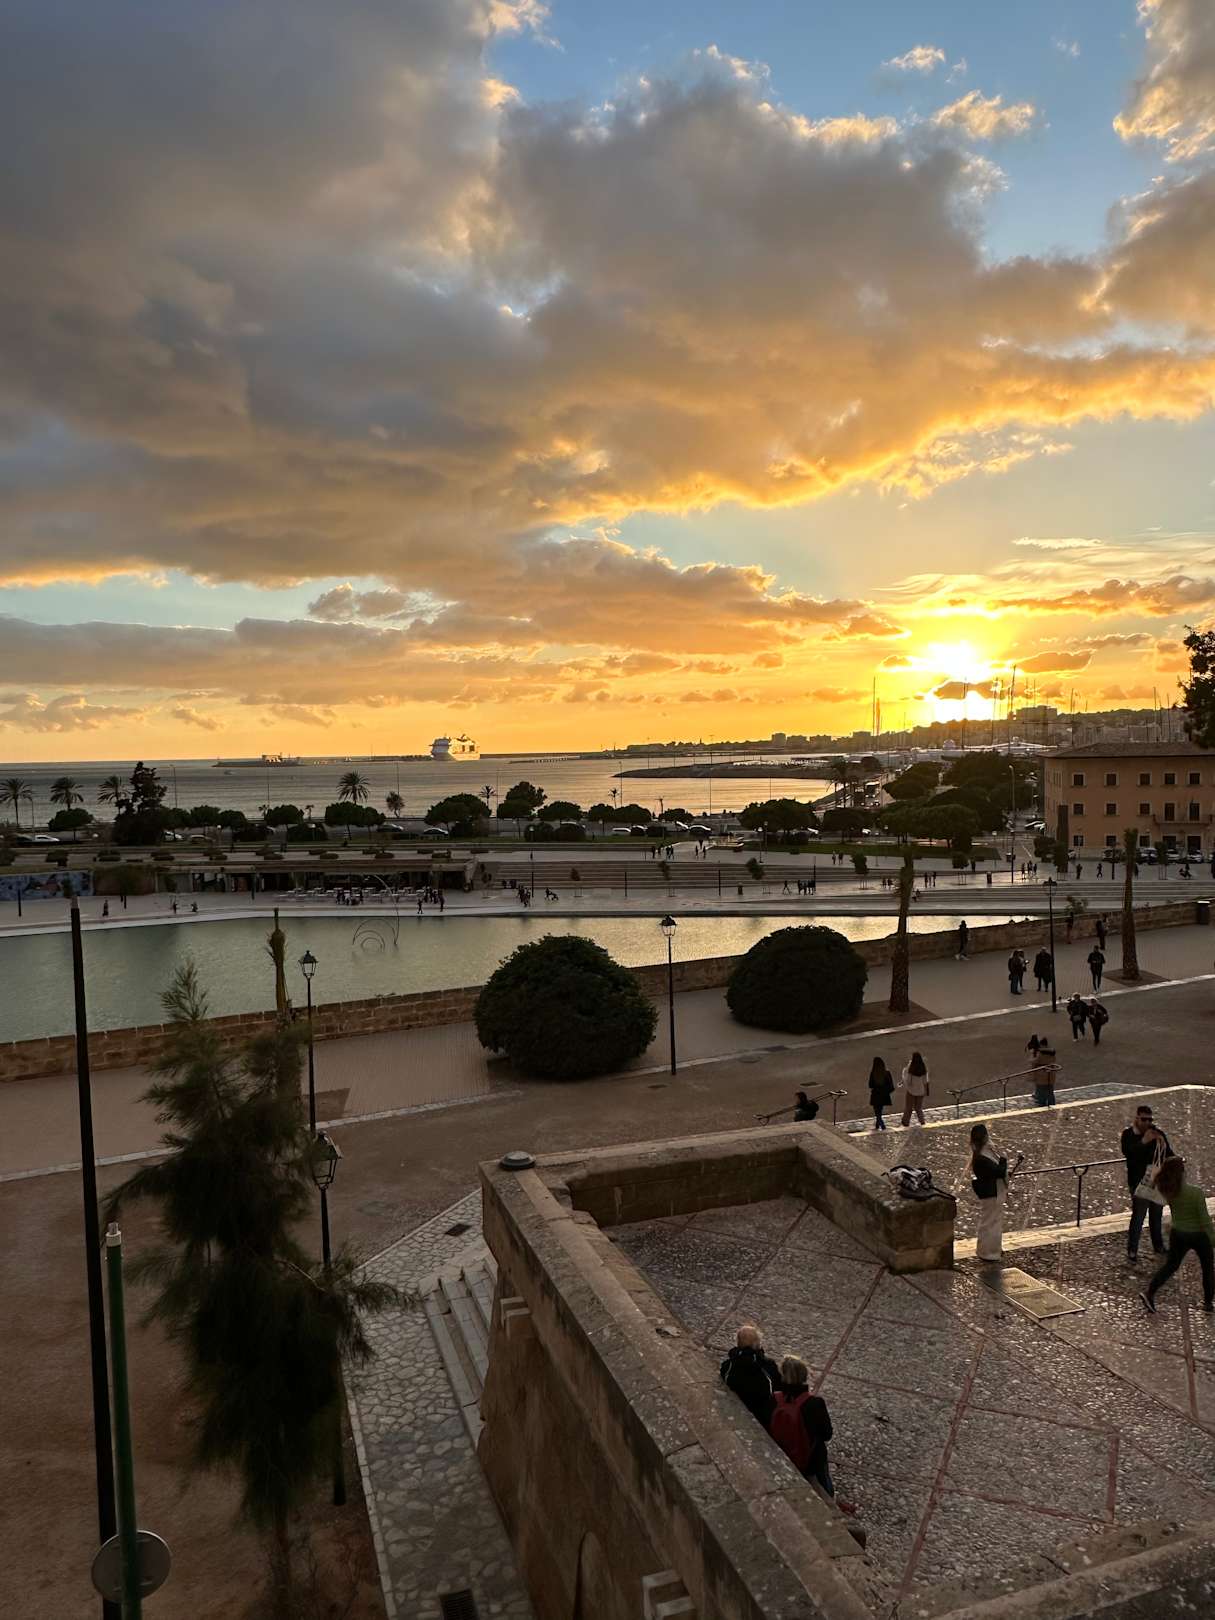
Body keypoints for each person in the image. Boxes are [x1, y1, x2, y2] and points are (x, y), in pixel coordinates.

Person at [770, 1356, 851, 1509]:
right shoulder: (814, 1403)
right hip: (811, 1458)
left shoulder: (775, 1398)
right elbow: (827, 1434)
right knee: (823, 1480)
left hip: (783, 1452)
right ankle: (831, 1503)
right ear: (804, 1376)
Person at [1141, 1157, 1215, 1314]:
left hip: (1178, 1233)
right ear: (1182, 1172)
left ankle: (1150, 1292)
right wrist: (1212, 1238)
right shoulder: (1195, 1193)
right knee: (1207, 1267)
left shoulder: (1169, 1191)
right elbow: (1205, 1220)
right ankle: (1208, 1303)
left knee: (1171, 1266)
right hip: (1199, 1235)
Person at [1121, 1105, 1172, 1263]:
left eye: (1150, 1120)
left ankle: (1158, 1245)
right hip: (1138, 1184)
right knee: (1138, 1216)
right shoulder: (1128, 1135)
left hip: (1156, 1182)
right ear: (1136, 1118)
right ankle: (1132, 1250)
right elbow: (1129, 1153)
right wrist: (1143, 1141)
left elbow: (1168, 1153)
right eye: (1144, 1119)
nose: (1147, 1123)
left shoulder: (1157, 1133)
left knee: (1156, 1215)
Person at [720, 1325, 781, 1427]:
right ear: (757, 1343)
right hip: (763, 1415)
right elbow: (777, 1390)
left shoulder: (729, 1365)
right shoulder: (767, 1365)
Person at [970, 1123, 1010, 1262]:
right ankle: (988, 1252)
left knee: (990, 1222)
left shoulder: (981, 1154)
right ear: (985, 1137)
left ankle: (991, 1249)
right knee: (991, 1223)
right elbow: (999, 1172)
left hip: (990, 1192)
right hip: (991, 1193)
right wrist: (1003, 1159)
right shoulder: (982, 1158)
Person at [901, 1052, 929, 1126]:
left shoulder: (911, 1068)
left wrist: (903, 1078)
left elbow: (908, 1081)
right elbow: (925, 1081)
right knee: (918, 1108)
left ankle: (906, 1121)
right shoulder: (923, 1068)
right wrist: (926, 1091)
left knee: (909, 1107)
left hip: (911, 1091)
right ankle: (922, 1121)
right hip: (921, 1091)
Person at [1029, 1037, 1057, 1106]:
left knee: (1041, 1091)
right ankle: (1052, 1103)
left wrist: (1032, 1054)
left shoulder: (1039, 1053)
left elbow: (1033, 1062)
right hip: (1051, 1073)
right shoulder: (1052, 1052)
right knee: (1050, 1090)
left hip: (1041, 1074)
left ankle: (1041, 1104)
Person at [868, 1057, 894, 1131]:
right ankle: (877, 1124)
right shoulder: (887, 1073)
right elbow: (891, 1085)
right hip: (884, 1095)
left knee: (877, 1111)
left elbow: (870, 1085)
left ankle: (882, 1125)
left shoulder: (873, 1073)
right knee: (879, 1110)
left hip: (876, 1094)